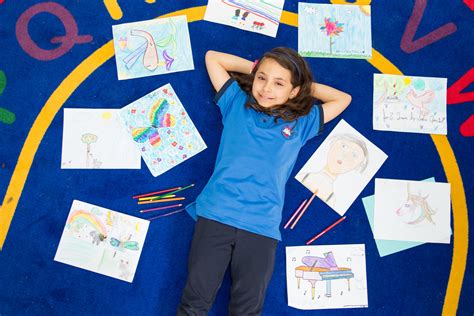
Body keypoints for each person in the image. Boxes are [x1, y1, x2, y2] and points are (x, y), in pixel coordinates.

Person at [177, 47, 352, 315]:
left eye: (279, 83)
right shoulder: (236, 102)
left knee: (247, 310)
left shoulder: (302, 123)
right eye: (262, 78)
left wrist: (300, 83)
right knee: (194, 303)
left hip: (261, 227)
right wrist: (258, 69)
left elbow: (343, 98)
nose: (267, 88)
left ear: (294, 91)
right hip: (216, 214)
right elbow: (212, 57)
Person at [299, 133, 368, 208]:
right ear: (332, 144)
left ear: (357, 166)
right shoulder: (302, 176)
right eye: (343, 146)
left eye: (354, 155)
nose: (344, 155)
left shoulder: (331, 199)